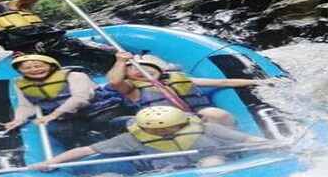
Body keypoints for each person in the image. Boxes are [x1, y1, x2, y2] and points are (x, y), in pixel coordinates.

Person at [29, 106, 273, 171]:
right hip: (167, 169)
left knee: (212, 164)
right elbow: (85, 151)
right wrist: (51, 162)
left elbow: (248, 140)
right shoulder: (132, 138)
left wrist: (269, 145)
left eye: (170, 128)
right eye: (157, 130)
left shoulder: (206, 128)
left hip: (210, 160)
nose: (164, 132)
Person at [107, 50, 284, 127]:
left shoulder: (179, 79)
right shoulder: (132, 89)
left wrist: (260, 82)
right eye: (134, 72)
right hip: (163, 123)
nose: (141, 74)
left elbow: (223, 83)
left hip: (196, 116)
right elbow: (115, 82)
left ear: (159, 69)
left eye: (146, 70)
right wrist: (121, 61)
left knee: (216, 114)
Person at [3, 54, 134, 146]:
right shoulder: (21, 84)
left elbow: (81, 97)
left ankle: (126, 142)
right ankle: (85, 149)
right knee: (60, 131)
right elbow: (26, 106)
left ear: (51, 66)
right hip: (70, 116)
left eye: (38, 66)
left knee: (102, 122)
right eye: (27, 68)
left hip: (100, 109)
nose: (34, 70)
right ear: (20, 70)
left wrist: (54, 115)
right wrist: (19, 119)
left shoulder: (75, 76)